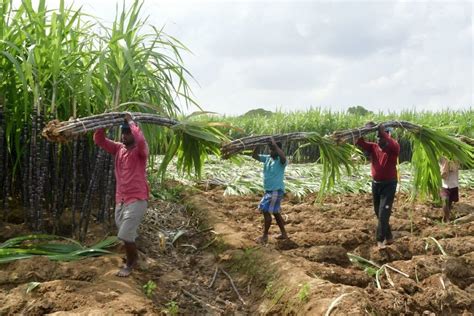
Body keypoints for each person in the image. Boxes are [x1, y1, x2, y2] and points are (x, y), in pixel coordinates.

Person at [93, 112, 149, 277]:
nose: (124, 136)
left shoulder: (141, 150)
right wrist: (104, 123)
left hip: (137, 198)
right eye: (123, 132)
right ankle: (137, 254)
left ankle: (131, 264)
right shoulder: (118, 149)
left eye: (127, 133)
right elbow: (99, 140)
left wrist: (131, 122)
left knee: (124, 234)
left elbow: (140, 140)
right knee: (124, 231)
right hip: (121, 199)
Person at [356, 123, 400, 249]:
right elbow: (359, 142)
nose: (379, 140)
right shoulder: (373, 147)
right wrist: (363, 130)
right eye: (378, 138)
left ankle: (380, 239)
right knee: (377, 211)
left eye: (382, 137)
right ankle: (390, 236)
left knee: (384, 211)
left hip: (389, 184)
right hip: (376, 184)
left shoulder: (394, 146)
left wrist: (382, 132)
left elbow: (390, 142)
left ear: (388, 136)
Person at [252, 137, 289, 244]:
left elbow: (282, 156)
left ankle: (264, 236)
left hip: (275, 191)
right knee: (276, 212)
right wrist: (257, 144)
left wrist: (275, 145)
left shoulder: (281, 161)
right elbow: (254, 156)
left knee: (265, 210)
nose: (271, 151)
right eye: (270, 149)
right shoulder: (268, 158)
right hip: (269, 191)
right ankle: (284, 234)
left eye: (273, 149)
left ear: (277, 150)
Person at [439, 157, 459, 222]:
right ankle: (448, 220)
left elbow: (456, 168)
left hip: (453, 185)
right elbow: (442, 171)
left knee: (449, 203)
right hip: (444, 185)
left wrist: (451, 164)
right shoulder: (442, 158)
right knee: (445, 200)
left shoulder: (456, 159)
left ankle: (445, 217)